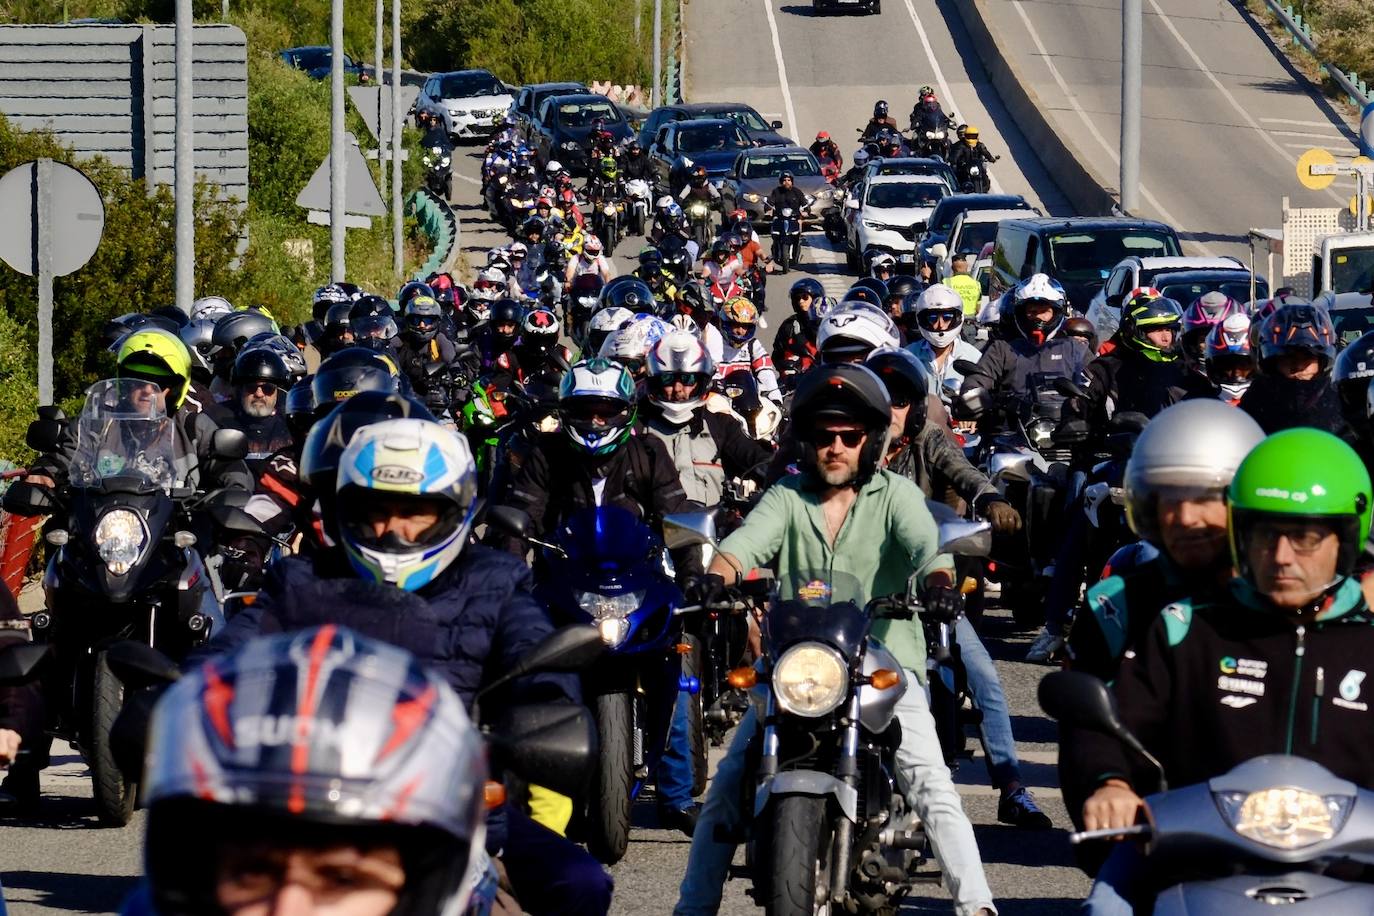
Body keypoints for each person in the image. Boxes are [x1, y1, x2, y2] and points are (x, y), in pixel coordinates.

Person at [196, 417, 612, 915]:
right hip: (309, 808)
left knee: (582, 883)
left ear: (452, 513)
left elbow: (537, 656)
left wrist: (541, 709)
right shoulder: (304, 580)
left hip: (454, 817)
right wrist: (175, 695)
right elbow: (233, 648)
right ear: (346, 511)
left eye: (414, 511)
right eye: (376, 510)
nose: (392, 529)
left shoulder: (495, 581)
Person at [675, 363, 996, 916]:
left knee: (931, 783)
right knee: (726, 787)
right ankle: (692, 908)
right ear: (808, 440)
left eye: (849, 436)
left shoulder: (896, 496)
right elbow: (744, 545)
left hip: (884, 663)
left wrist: (940, 586)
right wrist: (714, 574)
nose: (836, 447)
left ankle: (978, 907)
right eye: (825, 436)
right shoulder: (786, 498)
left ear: (870, 441)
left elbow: (928, 551)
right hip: (798, 667)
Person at [1067, 428, 1374, 915]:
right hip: (1193, 861)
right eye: (1264, 535)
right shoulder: (1188, 627)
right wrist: (1111, 783)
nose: (1281, 557)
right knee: (1104, 910)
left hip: (1352, 867)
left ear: (1346, 539)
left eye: (1306, 537)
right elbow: (1112, 721)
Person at [132, 624, 491, 916]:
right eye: (252, 873)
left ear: (422, 888)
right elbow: (235, 635)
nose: (288, 910)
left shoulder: (496, 581)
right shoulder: (289, 576)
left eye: (343, 879)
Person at [866, 349, 1048, 830]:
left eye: (900, 401)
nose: (890, 411)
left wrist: (989, 497)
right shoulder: (851, 447)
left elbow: (962, 470)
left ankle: (1012, 787)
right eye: (881, 400)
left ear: (917, 408)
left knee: (985, 675)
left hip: (929, 584)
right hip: (861, 592)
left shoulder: (927, 441)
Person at [957, 273, 1092, 435]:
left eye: (1044, 311)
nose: (1038, 318)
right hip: (1013, 435)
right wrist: (972, 395)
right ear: (1020, 314)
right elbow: (979, 378)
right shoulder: (1002, 349)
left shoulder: (1076, 349)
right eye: (1032, 312)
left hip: (1068, 435)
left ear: (1057, 312)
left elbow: (1099, 382)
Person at [1239, 301, 1347, 437]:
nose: (1298, 366)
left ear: (1323, 362)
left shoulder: (1342, 401)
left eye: (1308, 358)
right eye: (1288, 357)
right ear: (1272, 363)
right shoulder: (1255, 401)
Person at [905, 285, 983, 408]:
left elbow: (980, 401)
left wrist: (971, 418)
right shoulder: (908, 357)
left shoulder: (974, 358)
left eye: (947, 318)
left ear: (957, 318)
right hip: (920, 424)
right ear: (922, 320)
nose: (940, 325)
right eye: (932, 318)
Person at [225, 346, 295, 474]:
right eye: (251, 387)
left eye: (267, 388)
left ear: (277, 392)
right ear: (240, 389)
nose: (259, 394)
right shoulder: (219, 420)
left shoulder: (293, 423)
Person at [716, 297, 782, 404]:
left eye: (745, 326)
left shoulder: (752, 345)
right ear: (726, 323)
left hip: (748, 403)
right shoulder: (712, 344)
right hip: (719, 404)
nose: (740, 331)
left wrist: (776, 400)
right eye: (736, 325)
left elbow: (766, 372)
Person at [396, 294, 459, 403]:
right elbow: (382, 352)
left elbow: (452, 362)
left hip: (434, 399)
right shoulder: (400, 340)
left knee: (446, 419)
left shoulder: (440, 340)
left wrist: (457, 375)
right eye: (416, 320)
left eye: (427, 321)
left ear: (436, 322)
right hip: (402, 397)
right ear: (408, 320)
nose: (422, 325)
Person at [772, 278, 828, 386]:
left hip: (825, 376)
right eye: (797, 298)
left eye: (805, 297)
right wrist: (787, 366)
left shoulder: (829, 322)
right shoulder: (789, 326)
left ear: (816, 298)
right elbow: (777, 354)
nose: (801, 301)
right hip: (796, 380)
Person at [1202, 311, 1255, 405]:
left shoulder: (1274, 403)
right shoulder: (1200, 405)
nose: (1236, 374)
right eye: (1227, 366)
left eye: (1244, 365)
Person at [943, 252, 982, 318]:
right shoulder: (977, 284)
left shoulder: (945, 283)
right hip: (970, 322)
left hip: (953, 322)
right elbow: (978, 309)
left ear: (952, 268)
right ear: (967, 266)